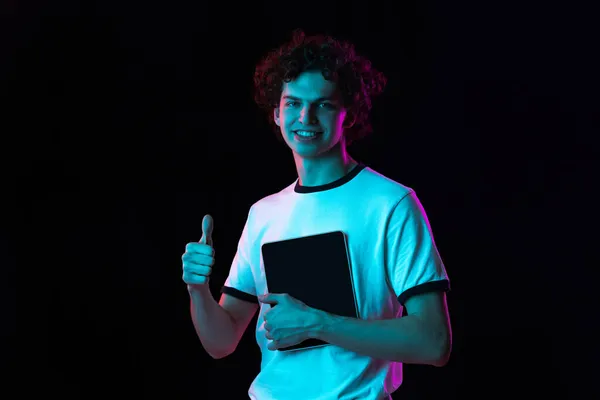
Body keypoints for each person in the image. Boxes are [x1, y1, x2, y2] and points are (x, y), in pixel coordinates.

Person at [181, 29, 452, 400]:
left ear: (349, 114)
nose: (305, 116)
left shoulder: (390, 203)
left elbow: (434, 342)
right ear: (276, 113)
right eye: (293, 103)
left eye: (323, 104)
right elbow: (221, 342)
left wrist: (318, 322)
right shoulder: (264, 214)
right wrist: (197, 290)